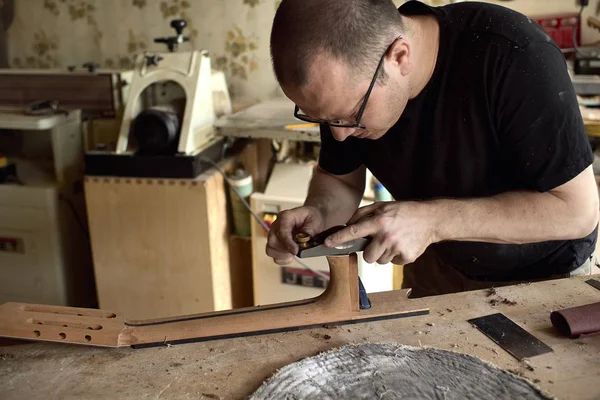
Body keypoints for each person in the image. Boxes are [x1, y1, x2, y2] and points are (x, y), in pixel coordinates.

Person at [266, 0, 600, 297]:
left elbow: (577, 212)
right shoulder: (346, 90)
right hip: (438, 266)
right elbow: (339, 179)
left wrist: (431, 222)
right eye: (324, 120)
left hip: (544, 279)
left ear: (400, 56)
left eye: (351, 115)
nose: (341, 136)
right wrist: (320, 214)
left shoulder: (514, 55)